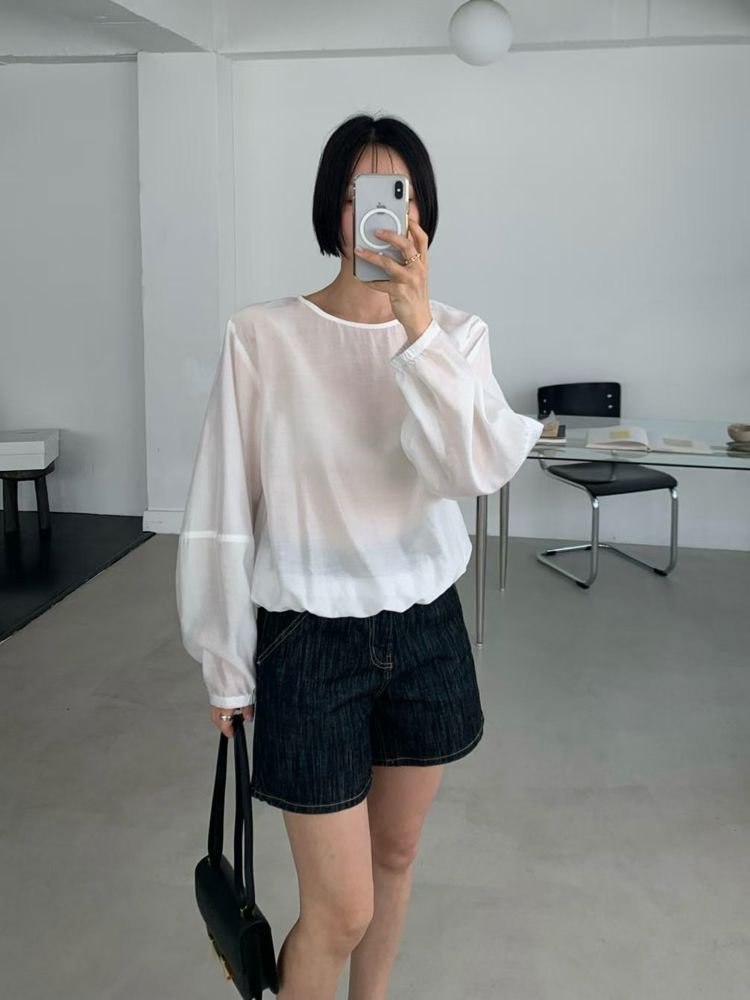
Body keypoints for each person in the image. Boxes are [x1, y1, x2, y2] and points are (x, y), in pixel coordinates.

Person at [175, 112, 543, 1000]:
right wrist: (225, 660)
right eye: (354, 194)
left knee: (397, 855)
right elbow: (223, 507)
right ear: (330, 210)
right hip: (308, 639)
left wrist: (419, 335)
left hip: (424, 631)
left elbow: (472, 470)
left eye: (393, 192)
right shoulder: (262, 337)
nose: (372, 212)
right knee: (338, 909)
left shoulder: (457, 335)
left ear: (420, 210)